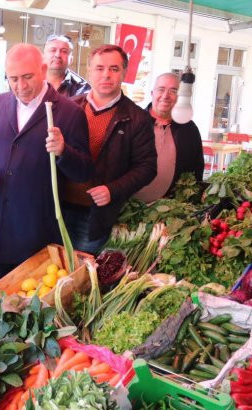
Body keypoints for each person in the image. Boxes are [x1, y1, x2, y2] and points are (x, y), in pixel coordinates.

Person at [0, 44, 93, 280]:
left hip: (34, 234)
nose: (20, 86)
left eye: (27, 77)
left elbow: (84, 171)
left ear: (43, 70)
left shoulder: (69, 112)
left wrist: (64, 151)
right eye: (12, 79)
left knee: (27, 306)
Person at [63, 45, 157, 254]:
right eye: (99, 68)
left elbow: (147, 167)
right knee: (50, 270)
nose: (106, 75)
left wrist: (113, 190)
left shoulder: (137, 118)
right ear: (89, 71)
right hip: (57, 207)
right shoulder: (68, 108)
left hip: (94, 215)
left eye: (114, 69)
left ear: (124, 72)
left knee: (81, 274)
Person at [134, 72, 204, 203]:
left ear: (180, 97)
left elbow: (197, 170)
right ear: (152, 93)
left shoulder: (189, 129)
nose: (165, 96)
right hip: (128, 208)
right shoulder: (133, 122)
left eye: (173, 91)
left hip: (169, 209)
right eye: (161, 89)